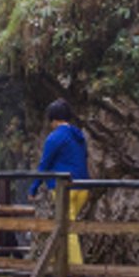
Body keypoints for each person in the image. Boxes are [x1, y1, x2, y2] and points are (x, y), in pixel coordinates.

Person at [28, 100, 90, 265]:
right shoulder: (78, 135)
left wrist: (33, 188)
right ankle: (55, 261)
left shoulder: (55, 137)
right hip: (83, 186)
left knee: (67, 227)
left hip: (65, 188)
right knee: (67, 224)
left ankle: (77, 268)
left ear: (53, 119)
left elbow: (44, 164)